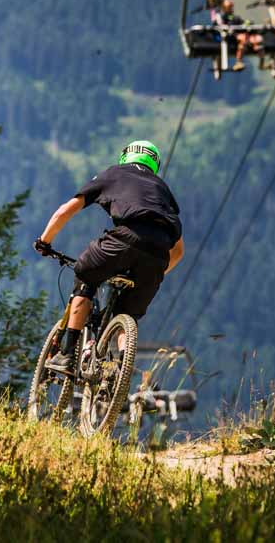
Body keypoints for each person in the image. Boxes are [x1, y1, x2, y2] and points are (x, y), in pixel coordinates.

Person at [33, 140, 185, 374]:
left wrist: (44, 241)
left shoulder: (114, 173)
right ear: (154, 163)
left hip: (124, 239)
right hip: (158, 255)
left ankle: (67, 355)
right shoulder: (163, 189)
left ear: (125, 156)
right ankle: (120, 370)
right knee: (127, 314)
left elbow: (65, 210)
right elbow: (179, 251)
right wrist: (157, 272)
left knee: (85, 277)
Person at [214, 0, 262, 72]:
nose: (231, 9)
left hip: (238, 36)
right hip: (228, 36)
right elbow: (219, 24)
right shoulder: (222, 17)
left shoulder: (235, 18)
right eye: (229, 7)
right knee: (243, 38)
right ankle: (252, 48)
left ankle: (242, 60)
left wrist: (248, 23)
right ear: (224, 8)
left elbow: (242, 23)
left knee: (254, 38)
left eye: (231, 7)